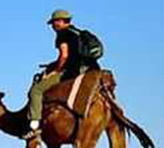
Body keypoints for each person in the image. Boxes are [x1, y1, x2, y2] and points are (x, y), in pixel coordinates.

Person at [22, 9, 103, 139]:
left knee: (36, 91)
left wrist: (55, 71)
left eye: (54, 23)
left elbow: (64, 56)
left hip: (73, 72)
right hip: (91, 69)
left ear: (60, 21)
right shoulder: (79, 33)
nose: (53, 26)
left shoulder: (63, 34)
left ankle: (34, 126)